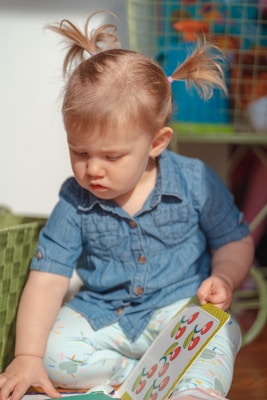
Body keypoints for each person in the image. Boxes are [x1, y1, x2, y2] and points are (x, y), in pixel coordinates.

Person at [0, 10, 254, 400]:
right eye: (79, 151)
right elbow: (48, 278)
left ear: (157, 143)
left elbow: (233, 240)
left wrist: (224, 278)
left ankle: (192, 389)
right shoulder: (74, 199)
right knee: (52, 355)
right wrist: (28, 354)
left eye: (112, 156)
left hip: (177, 309)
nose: (93, 170)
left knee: (218, 333)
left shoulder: (194, 181)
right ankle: (137, 375)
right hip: (106, 315)